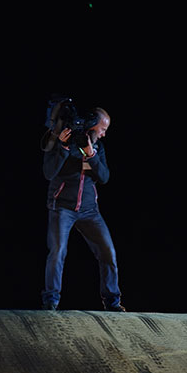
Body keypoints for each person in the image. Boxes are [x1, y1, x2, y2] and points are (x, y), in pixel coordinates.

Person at [41, 107, 125, 311]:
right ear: (93, 125)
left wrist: (91, 155)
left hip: (89, 211)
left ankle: (112, 302)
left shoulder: (97, 147)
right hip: (62, 207)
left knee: (108, 252)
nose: (104, 134)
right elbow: (48, 173)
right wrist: (62, 147)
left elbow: (104, 177)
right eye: (103, 129)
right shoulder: (62, 141)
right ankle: (51, 300)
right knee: (58, 252)